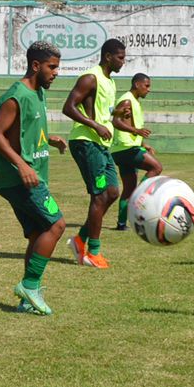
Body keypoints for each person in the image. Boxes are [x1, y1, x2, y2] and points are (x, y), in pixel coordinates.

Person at [0, 41, 68, 315]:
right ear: (36, 66)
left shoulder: (38, 92)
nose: (57, 72)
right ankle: (30, 286)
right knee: (57, 225)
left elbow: (26, 130)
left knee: (38, 233)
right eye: (52, 67)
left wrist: (50, 138)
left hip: (29, 175)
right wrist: (22, 165)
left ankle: (27, 300)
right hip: (19, 178)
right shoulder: (16, 96)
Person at [62, 38, 127, 268]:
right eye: (120, 57)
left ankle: (80, 239)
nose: (123, 62)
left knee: (112, 193)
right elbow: (68, 107)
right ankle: (92, 252)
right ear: (108, 56)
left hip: (101, 144)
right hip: (86, 142)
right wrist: (95, 125)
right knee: (100, 195)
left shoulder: (109, 82)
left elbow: (103, 114)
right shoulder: (91, 77)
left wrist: (115, 114)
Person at [109, 72, 163, 230]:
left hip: (123, 149)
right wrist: (136, 131)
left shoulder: (133, 101)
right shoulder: (127, 100)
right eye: (146, 86)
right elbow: (116, 121)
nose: (149, 89)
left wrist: (142, 143)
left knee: (129, 188)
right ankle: (141, 196)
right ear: (137, 84)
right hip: (126, 149)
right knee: (156, 167)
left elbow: (120, 119)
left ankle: (121, 224)